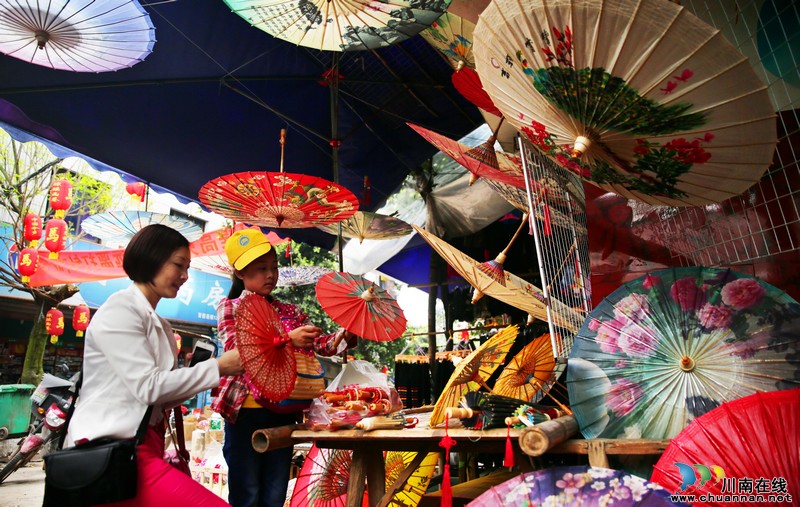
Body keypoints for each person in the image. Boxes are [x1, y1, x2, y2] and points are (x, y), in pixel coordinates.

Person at [65, 224, 244, 506]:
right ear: (152, 258)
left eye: (187, 267)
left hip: (146, 445)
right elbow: (148, 387)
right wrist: (217, 368)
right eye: (178, 265)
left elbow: (164, 394)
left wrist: (215, 372)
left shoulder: (159, 323)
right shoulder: (120, 309)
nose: (185, 276)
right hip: (115, 449)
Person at [211, 229, 356, 507]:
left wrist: (344, 335)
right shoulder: (230, 308)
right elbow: (238, 354)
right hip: (245, 413)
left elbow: (322, 345)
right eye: (261, 269)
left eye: (274, 268)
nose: (270, 275)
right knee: (247, 494)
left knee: (276, 494)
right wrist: (287, 339)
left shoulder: (291, 311)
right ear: (240, 273)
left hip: (284, 411)